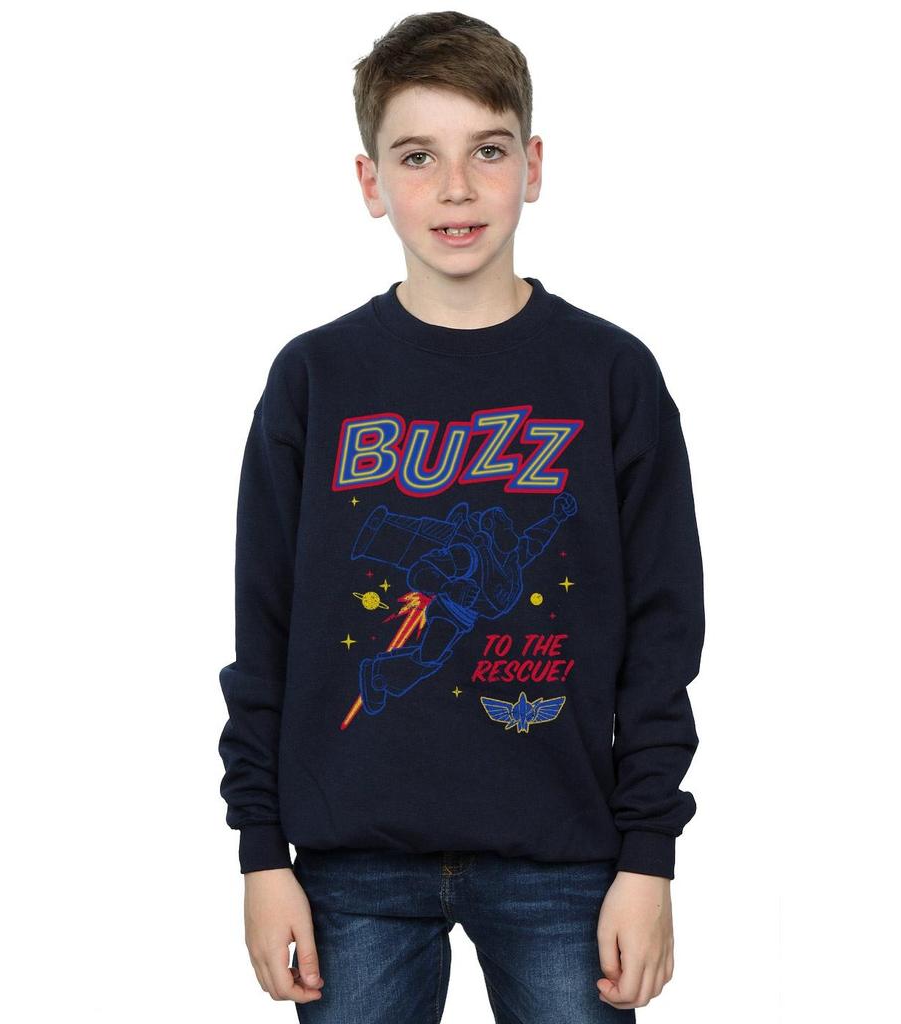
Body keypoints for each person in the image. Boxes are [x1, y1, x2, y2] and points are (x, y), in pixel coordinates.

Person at [217, 11, 705, 1022]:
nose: (454, 188)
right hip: (350, 860)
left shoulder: (610, 374)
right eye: (416, 156)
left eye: (486, 150)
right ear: (370, 182)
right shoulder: (315, 378)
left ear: (532, 165)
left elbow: (663, 631)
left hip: (565, 856)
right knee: (412, 628)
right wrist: (260, 852)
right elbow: (262, 626)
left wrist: (648, 856)